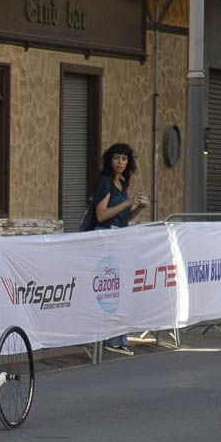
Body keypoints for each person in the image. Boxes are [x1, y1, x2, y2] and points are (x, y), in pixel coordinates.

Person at [91, 143, 148, 354]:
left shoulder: (122, 183)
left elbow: (123, 218)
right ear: (109, 160)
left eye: (124, 159)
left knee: (118, 289)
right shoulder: (105, 182)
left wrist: (138, 208)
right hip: (106, 239)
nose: (120, 163)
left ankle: (119, 337)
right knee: (109, 290)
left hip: (120, 238)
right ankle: (111, 339)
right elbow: (101, 215)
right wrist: (129, 202)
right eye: (116, 158)